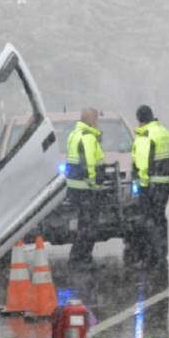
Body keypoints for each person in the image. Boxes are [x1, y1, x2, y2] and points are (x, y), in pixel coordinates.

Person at [130, 104, 169, 268]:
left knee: (147, 221)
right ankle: (162, 254)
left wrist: (142, 187)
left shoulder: (145, 135)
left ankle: (150, 258)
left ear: (140, 120)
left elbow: (142, 165)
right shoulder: (163, 131)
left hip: (151, 186)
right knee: (160, 219)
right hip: (163, 184)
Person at [65, 108, 105, 267]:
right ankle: (80, 258)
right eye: (96, 120)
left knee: (84, 224)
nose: (98, 123)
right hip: (86, 189)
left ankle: (80, 258)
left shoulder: (74, 135)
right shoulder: (88, 138)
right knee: (89, 226)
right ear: (91, 120)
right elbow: (89, 165)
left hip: (75, 188)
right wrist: (95, 184)